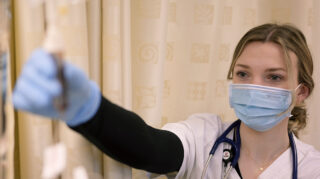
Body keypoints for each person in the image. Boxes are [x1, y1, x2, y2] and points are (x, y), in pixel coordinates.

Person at [12, 23, 320, 178]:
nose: (254, 87)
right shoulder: (205, 137)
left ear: (302, 92)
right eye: (242, 74)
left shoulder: (311, 168)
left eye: (274, 77)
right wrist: (89, 110)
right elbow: (149, 147)